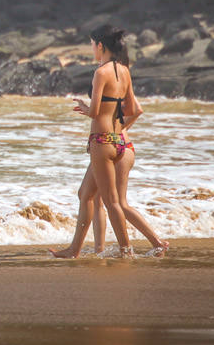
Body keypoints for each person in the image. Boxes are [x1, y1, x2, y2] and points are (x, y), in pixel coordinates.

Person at [50, 25, 169, 258]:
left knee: (112, 202)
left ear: (101, 45)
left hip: (102, 141)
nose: (92, 49)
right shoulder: (124, 71)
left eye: (92, 44)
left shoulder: (100, 73)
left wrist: (85, 108)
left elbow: (95, 112)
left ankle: (126, 251)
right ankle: (77, 249)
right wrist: (119, 129)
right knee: (87, 193)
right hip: (121, 142)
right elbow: (135, 110)